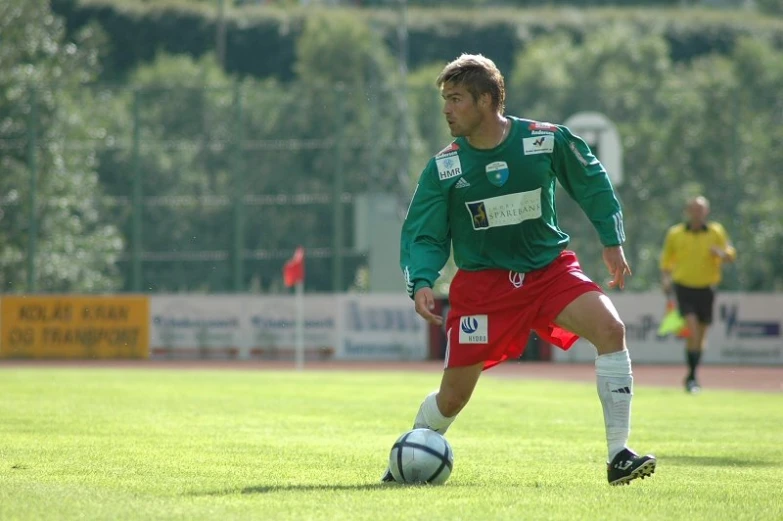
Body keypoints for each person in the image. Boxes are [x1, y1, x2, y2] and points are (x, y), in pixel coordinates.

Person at [384, 53, 656, 486]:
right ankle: (405, 460)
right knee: (452, 398)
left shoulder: (544, 141)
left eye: (456, 99)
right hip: (483, 288)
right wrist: (421, 280)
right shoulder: (445, 167)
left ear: (487, 99)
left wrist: (611, 239)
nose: (446, 109)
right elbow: (424, 233)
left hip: (548, 271)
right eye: (445, 100)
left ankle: (618, 455)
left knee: (611, 329)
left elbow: (592, 181)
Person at [660, 195, 736, 393]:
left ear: (706, 212)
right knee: (692, 329)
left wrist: (722, 253)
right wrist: (666, 280)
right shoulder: (676, 233)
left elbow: (730, 254)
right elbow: (666, 260)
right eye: (694, 209)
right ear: (687, 211)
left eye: (701, 209)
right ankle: (692, 378)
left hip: (707, 287)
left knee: (701, 335)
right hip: (684, 287)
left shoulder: (716, 231)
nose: (697, 213)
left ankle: (692, 375)